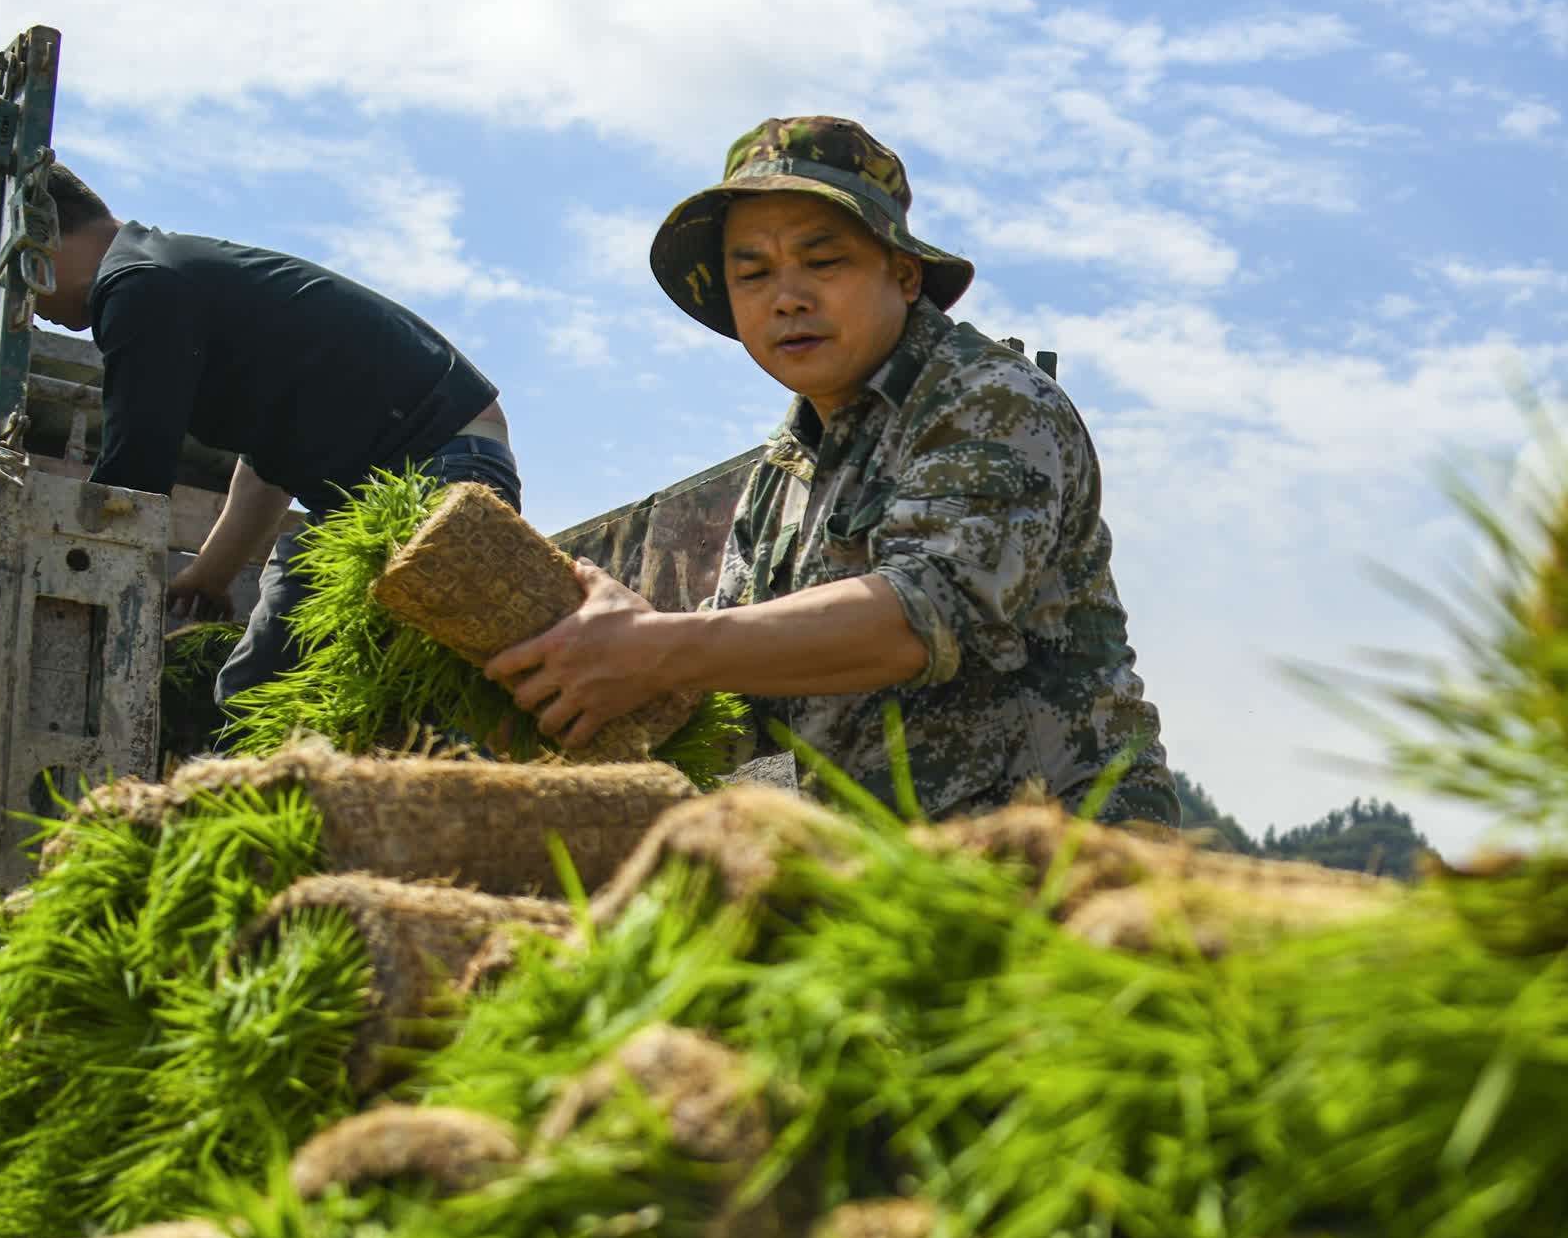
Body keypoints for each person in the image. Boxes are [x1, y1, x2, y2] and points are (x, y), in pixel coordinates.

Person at [485, 117, 1176, 827]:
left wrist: (656, 646)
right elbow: (735, 688)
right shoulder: (781, 472)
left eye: (823, 262)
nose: (787, 298)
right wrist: (573, 692)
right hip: (881, 865)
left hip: (1061, 850)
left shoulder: (989, 400)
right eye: (752, 273)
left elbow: (923, 616)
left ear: (904, 275)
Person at [25, 163, 521, 707]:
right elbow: (269, 457)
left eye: (19, 279)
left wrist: (55, 559)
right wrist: (211, 573)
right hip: (383, 485)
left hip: (441, 465)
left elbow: (132, 479)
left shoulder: (139, 284)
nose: (30, 309)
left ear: (42, 236)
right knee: (257, 693)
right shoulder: (161, 275)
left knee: (404, 694)